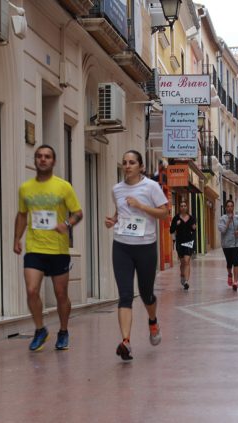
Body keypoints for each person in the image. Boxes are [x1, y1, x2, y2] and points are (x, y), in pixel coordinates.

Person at [13, 144, 83, 352]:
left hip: (58, 250)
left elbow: (78, 213)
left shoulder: (63, 186)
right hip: (34, 247)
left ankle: (63, 331)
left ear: (53, 161)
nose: (43, 159)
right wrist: (17, 238)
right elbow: (23, 214)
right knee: (32, 290)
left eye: (47, 157)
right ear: (35, 160)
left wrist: (67, 225)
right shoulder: (25, 188)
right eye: (39, 156)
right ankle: (40, 329)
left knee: (61, 294)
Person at [105, 150, 169, 361]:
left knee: (146, 293)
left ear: (141, 166)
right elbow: (121, 212)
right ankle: (126, 342)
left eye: (132, 162)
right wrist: (113, 220)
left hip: (145, 247)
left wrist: (141, 206)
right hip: (121, 245)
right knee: (124, 295)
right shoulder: (117, 189)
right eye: (124, 162)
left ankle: (152, 320)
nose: (127, 165)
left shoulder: (151, 187)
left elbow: (165, 212)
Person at [170, 200, 196, 290]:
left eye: (185, 205)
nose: (183, 207)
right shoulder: (176, 218)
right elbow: (171, 230)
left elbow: (193, 230)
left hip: (189, 241)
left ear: (187, 207)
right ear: (179, 207)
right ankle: (182, 275)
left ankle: (186, 281)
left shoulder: (191, 218)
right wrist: (176, 225)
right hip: (180, 242)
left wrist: (194, 228)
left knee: (187, 261)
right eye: (181, 205)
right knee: (183, 262)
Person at [219, 200, 238, 291]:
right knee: (229, 263)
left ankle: (236, 282)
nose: (230, 208)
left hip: (237, 244)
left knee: (236, 262)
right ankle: (230, 274)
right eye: (228, 206)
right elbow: (222, 230)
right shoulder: (222, 219)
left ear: (233, 207)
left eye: (231, 206)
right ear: (226, 208)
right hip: (226, 245)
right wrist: (228, 222)